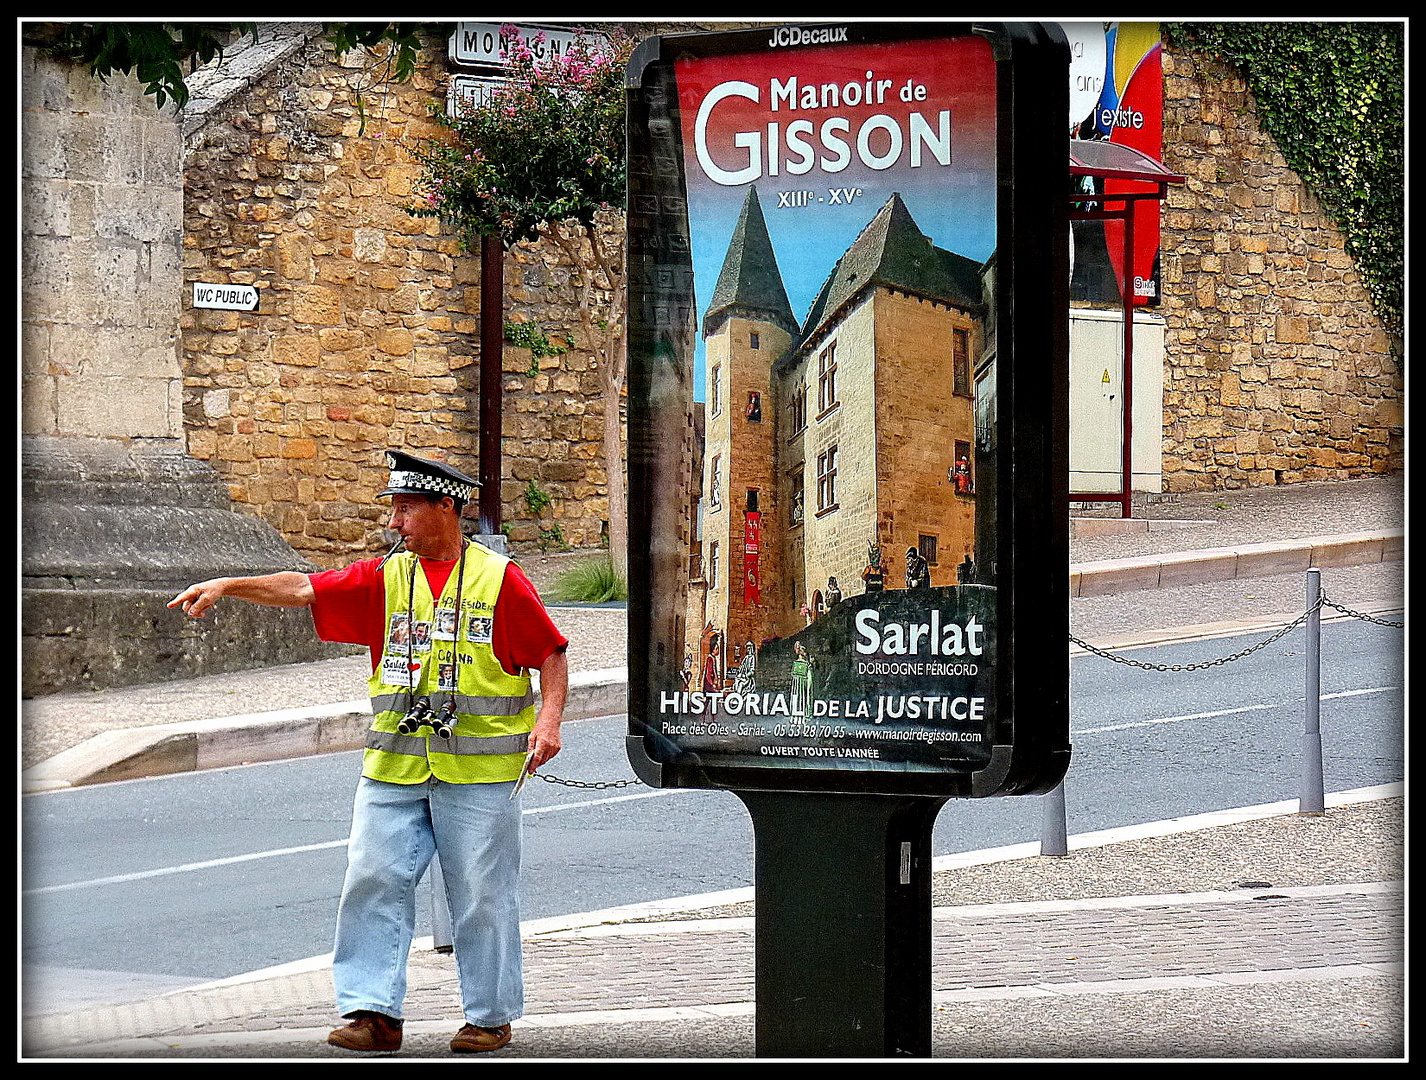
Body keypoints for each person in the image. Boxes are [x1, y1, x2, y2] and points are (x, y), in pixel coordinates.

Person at [168, 450, 568, 1055]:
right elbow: (303, 587)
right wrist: (230, 584)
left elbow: (551, 653)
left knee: (483, 892)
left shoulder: (498, 578)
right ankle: (373, 1014)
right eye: (394, 510)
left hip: (480, 776)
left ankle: (489, 1016)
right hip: (394, 770)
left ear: (446, 507)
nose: (395, 523)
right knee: (373, 879)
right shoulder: (386, 576)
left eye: (407, 509)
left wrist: (550, 721)